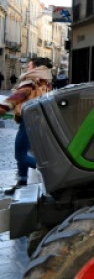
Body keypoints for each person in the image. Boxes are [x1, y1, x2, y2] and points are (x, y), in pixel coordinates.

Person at [2, 57, 54, 195]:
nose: (27, 68)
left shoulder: (31, 80)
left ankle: (51, 170)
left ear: (36, 67)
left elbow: (15, 99)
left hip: (29, 120)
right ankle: (22, 182)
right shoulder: (46, 80)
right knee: (25, 152)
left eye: (29, 66)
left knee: (20, 154)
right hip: (38, 119)